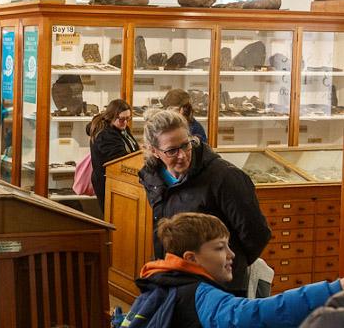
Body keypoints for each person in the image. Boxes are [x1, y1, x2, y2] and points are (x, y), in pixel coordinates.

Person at [121, 212, 342, 327]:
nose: (231, 254)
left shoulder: (160, 280)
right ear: (191, 257)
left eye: (228, 245)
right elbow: (257, 314)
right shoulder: (200, 295)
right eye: (219, 248)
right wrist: (333, 289)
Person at [139, 109, 271, 297]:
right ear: (154, 151)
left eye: (186, 145)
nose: (182, 155)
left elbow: (256, 233)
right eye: (171, 151)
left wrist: (226, 265)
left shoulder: (225, 177)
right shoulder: (151, 177)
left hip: (221, 287)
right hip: (176, 281)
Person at [86, 99, 139, 213]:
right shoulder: (105, 134)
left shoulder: (121, 128)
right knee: (114, 216)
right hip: (110, 182)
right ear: (111, 116)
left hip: (122, 180)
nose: (125, 122)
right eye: (121, 119)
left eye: (128, 119)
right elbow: (119, 159)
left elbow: (132, 148)